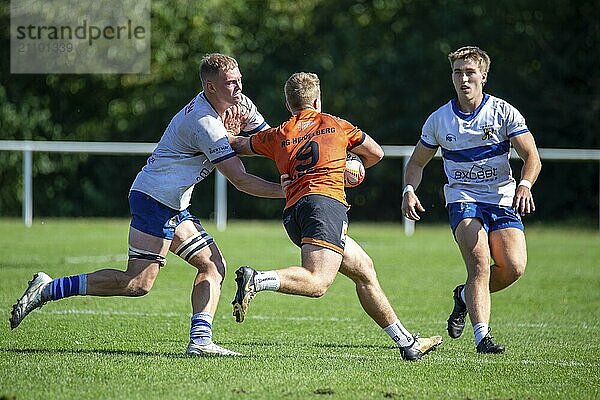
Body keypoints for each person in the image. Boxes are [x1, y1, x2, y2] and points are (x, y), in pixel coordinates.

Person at [9, 53, 286, 357]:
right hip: (155, 199)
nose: (238, 87)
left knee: (212, 265)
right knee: (137, 283)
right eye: (230, 82)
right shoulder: (203, 122)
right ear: (210, 86)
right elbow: (240, 180)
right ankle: (47, 289)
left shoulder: (240, 105)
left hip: (173, 203)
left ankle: (200, 341)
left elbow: (270, 141)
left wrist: (303, 153)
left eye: (239, 79)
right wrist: (290, 191)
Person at [226, 72, 442, 361]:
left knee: (364, 270)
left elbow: (238, 144)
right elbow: (375, 154)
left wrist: (223, 127)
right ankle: (258, 280)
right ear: (316, 99)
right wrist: (349, 164)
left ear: (289, 104)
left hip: (294, 212)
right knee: (318, 283)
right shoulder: (336, 125)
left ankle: (408, 343)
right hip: (325, 205)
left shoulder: (278, 134)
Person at [401, 46, 542, 353]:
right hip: (462, 199)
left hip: (502, 198)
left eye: (469, 72)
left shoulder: (503, 112)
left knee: (514, 267)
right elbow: (416, 164)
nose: (463, 79)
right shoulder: (439, 120)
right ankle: (483, 338)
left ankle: (464, 297)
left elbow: (532, 156)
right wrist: (409, 190)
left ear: (483, 76)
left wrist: (525, 184)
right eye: (457, 72)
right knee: (479, 264)